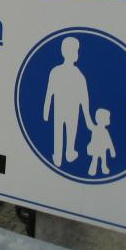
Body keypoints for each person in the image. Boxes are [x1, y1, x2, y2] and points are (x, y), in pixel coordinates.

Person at [43, 37, 92, 167]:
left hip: (65, 110)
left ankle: (63, 154)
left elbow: (84, 99)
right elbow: (50, 93)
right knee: (67, 132)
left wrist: (46, 112)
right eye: (76, 51)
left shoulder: (63, 72)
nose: (76, 54)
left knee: (63, 132)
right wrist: (46, 111)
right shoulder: (74, 74)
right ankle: (66, 153)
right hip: (68, 111)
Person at [87, 108, 115, 176]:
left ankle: (103, 168)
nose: (109, 119)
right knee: (95, 159)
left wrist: (112, 150)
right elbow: (89, 124)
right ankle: (92, 169)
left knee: (103, 160)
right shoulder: (95, 129)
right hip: (95, 149)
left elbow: (109, 142)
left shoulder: (105, 131)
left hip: (103, 149)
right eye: (108, 118)